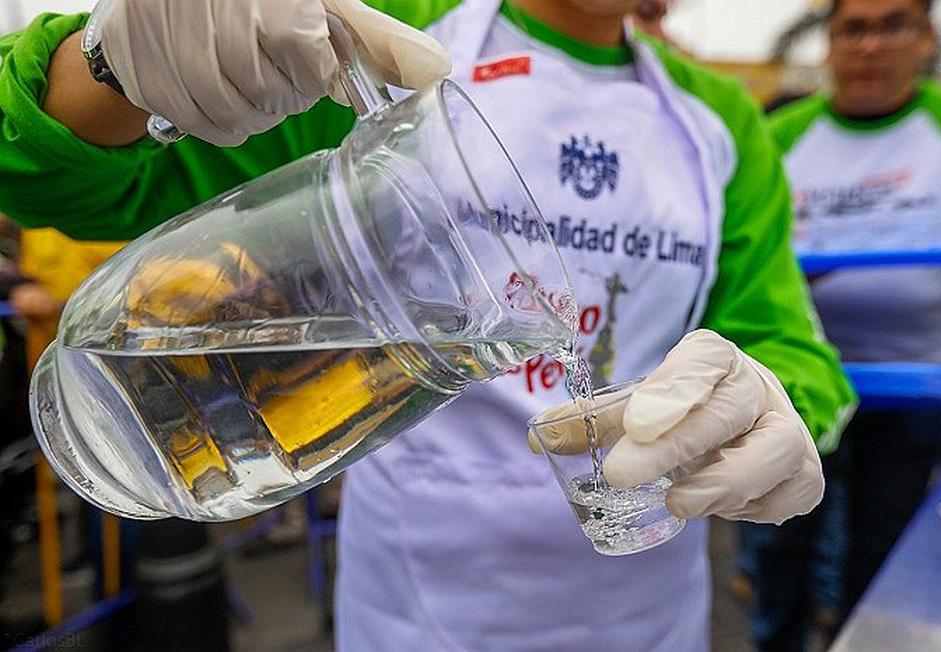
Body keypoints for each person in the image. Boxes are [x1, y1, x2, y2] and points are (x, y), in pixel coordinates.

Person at [0, 0, 856, 649]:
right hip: (416, 603)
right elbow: (52, 180)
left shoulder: (720, 121)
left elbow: (784, 339)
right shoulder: (380, 38)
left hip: (643, 604)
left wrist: (770, 404)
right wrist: (108, 66)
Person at [741, 0, 941, 649]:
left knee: (885, 551)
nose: (871, 46)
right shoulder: (779, 133)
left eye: (892, 25)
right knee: (780, 544)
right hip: (795, 382)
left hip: (920, 389)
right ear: (829, 41)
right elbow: (746, 253)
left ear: (926, 37)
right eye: (854, 28)